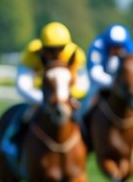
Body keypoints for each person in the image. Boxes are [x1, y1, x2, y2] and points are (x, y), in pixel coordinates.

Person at [9, 22, 87, 151]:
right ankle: (13, 140)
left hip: (67, 95)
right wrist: (45, 99)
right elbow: (22, 85)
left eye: (60, 48)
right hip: (40, 94)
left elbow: (83, 84)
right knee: (25, 115)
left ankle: (88, 144)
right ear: (42, 47)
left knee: (81, 116)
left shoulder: (76, 55)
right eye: (50, 49)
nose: (56, 53)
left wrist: (65, 97)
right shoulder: (31, 54)